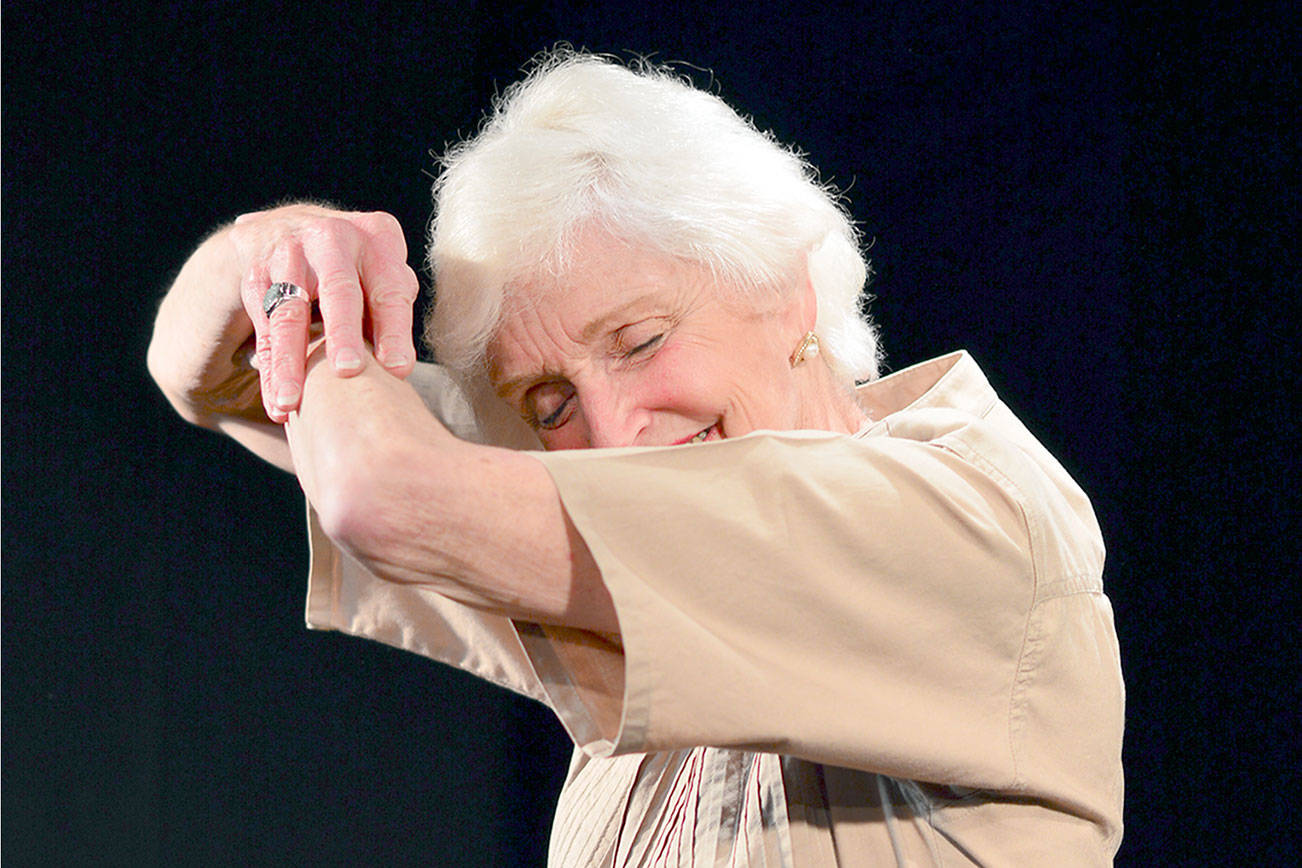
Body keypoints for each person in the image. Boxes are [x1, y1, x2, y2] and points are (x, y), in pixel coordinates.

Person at [149, 52, 1124, 865]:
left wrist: (314, 315)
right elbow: (207, 375)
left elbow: (380, 490)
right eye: (551, 403)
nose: (614, 432)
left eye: (641, 340)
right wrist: (275, 253)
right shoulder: (641, 539)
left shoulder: (954, 519)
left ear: (783, 284)